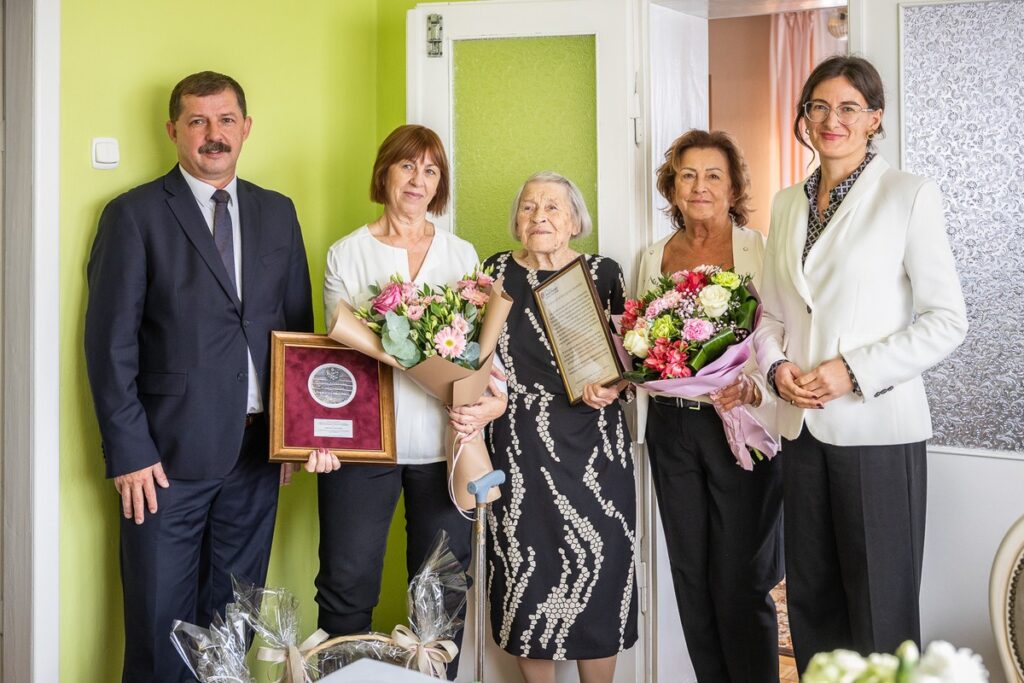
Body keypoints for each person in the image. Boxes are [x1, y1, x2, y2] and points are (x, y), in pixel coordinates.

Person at [84, 71, 314, 682]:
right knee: (161, 625)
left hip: (257, 452)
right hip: (163, 461)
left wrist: (296, 430)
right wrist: (129, 451)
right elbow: (110, 346)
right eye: (198, 121)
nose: (214, 135)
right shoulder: (132, 215)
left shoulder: (277, 212)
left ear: (246, 127)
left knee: (234, 620)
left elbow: (298, 328)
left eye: (226, 120)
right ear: (173, 130)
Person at [754, 55, 968, 672]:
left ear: (874, 119)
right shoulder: (788, 204)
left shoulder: (908, 195)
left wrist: (853, 370)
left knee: (881, 609)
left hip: (877, 429)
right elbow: (770, 316)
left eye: (849, 107)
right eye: (819, 106)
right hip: (801, 431)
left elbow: (946, 320)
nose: (832, 119)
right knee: (814, 602)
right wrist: (775, 370)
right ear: (804, 116)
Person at [318, 124, 506, 680]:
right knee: (346, 586)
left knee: (441, 595)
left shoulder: (461, 253)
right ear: (385, 172)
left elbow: (480, 353)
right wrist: (319, 437)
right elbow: (331, 362)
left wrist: (487, 405)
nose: (418, 181)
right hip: (364, 448)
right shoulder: (347, 253)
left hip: (445, 446)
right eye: (407, 167)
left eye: (430, 170)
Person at [463, 171, 637, 683]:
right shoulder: (493, 270)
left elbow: (629, 357)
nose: (539, 216)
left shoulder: (604, 272)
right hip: (517, 442)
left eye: (553, 207)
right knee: (525, 574)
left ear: (575, 220)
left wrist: (615, 386)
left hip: (596, 449)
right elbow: (474, 357)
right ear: (516, 220)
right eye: (529, 207)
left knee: (601, 570)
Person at [634, 129, 783, 682]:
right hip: (672, 432)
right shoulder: (652, 256)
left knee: (742, 579)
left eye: (713, 175)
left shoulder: (759, 250)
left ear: (734, 187)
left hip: (740, 427)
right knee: (691, 577)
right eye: (687, 175)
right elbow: (640, 341)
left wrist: (755, 388)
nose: (699, 186)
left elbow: (780, 336)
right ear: (672, 188)